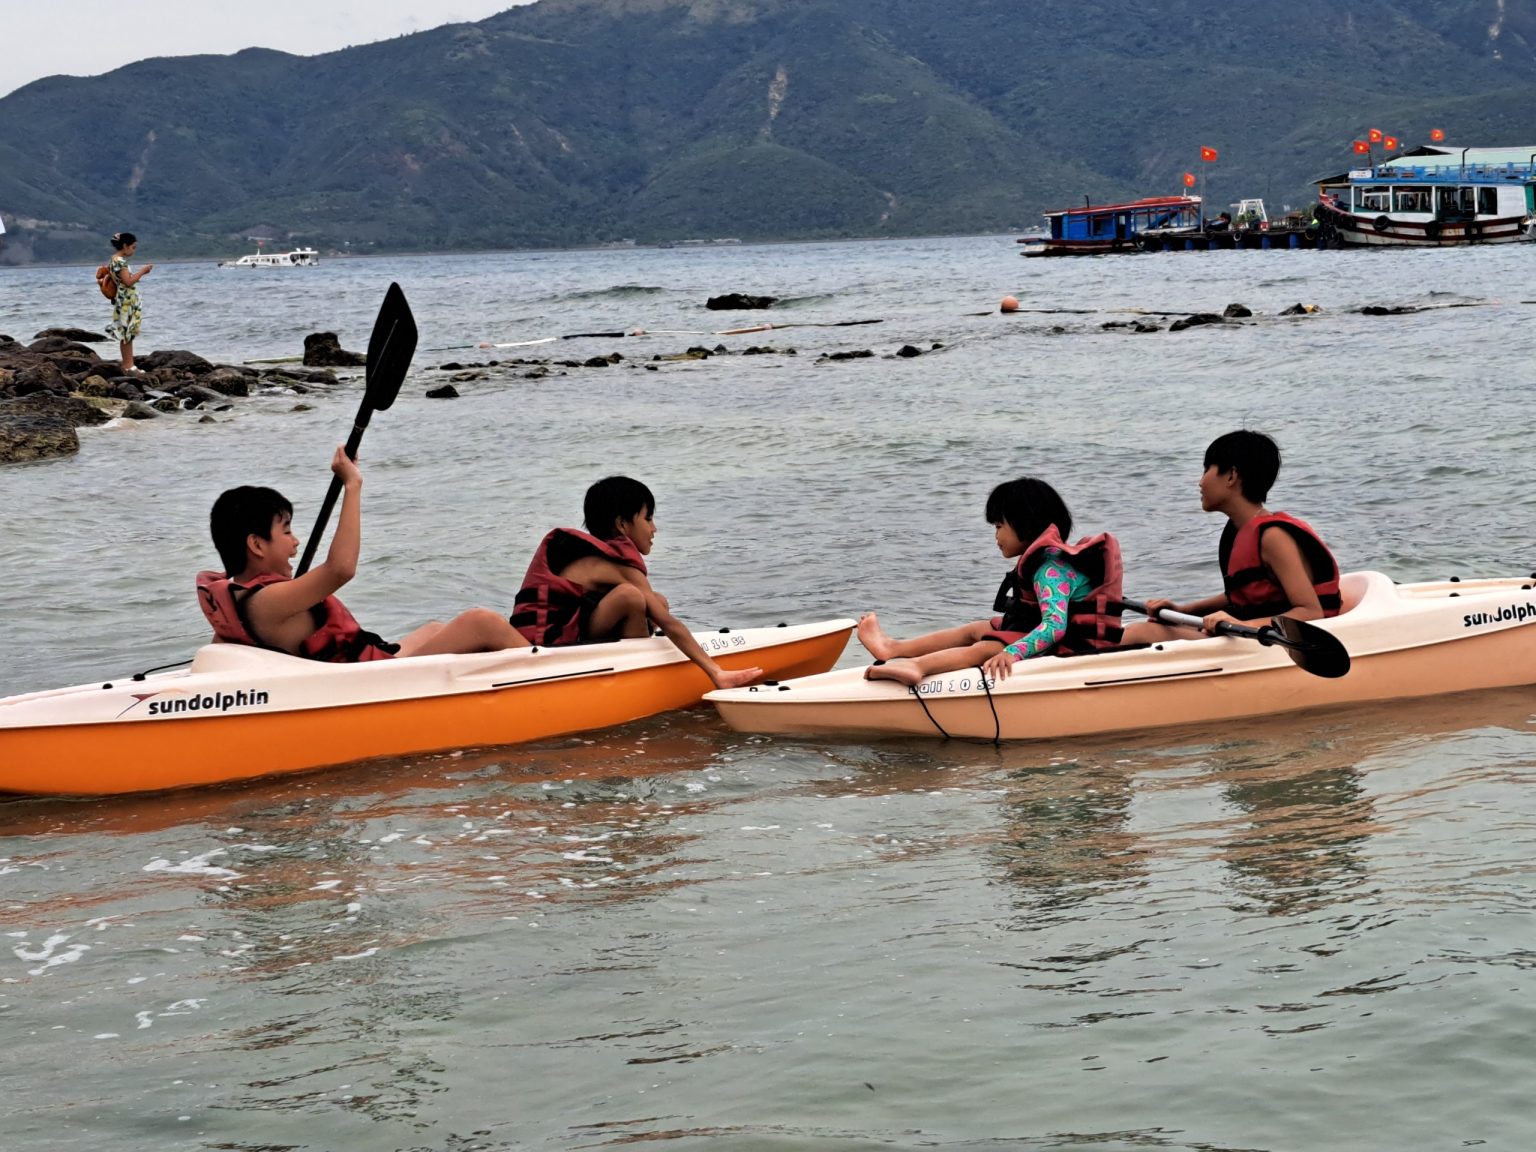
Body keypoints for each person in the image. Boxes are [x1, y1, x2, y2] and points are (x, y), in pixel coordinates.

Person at [197, 447, 529, 661]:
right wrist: (352, 486)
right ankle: (553, 677)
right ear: (256, 545)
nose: (295, 542)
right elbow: (340, 569)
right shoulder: (266, 602)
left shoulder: (235, 602)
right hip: (374, 681)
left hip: (371, 664)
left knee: (433, 629)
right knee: (481, 622)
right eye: (286, 532)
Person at [858, 477, 1124, 686]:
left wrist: (1012, 653)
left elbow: (1054, 627)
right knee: (976, 629)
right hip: (1049, 636)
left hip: (1071, 648)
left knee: (988, 646)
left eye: (998, 526)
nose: (995, 535)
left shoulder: (1050, 570)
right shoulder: (1047, 563)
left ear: (1026, 525)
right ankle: (894, 649)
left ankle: (918, 667)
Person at [511, 475, 763, 689]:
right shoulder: (616, 565)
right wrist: (714, 671)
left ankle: (637, 659)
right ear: (622, 524)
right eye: (648, 518)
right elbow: (668, 624)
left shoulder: (600, 556)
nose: (654, 529)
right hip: (552, 646)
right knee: (632, 597)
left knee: (657, 602)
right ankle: (641, 673)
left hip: (570, 634)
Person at [1122, 430, 1341, 645]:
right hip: (1248, 630)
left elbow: (1310, 611)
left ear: (1231, 476)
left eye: (1207, 469)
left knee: (1142, 632)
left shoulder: (1273, 537)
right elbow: (1242, 593)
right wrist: (1184, 610)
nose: (1200, 481)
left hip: (1282, 641)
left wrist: (1242, 624)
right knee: (1150, 629)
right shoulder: (1238, 530)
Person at [106, 232, 153, 374]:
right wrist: (143, 271)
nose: (134, 250)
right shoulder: (120, 262)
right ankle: (129, 365)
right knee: (128, 333)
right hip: (127, 300)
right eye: (133, 247)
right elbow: (128, 282)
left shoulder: (113, 260)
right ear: (125, 246)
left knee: (126, 333)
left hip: (123, 299)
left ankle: (128, 364)